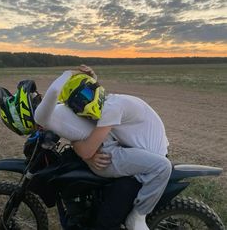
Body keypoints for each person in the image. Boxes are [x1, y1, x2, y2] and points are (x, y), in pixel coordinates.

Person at [0, 74, 142, 230]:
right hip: (115, 145)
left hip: (117, 153)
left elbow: (79, 135)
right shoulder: (57, 108)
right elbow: (76, 130)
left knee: (105, 221)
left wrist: (86, 156)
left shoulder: (50, 113)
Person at [58, 66, 172, 230]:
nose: (80, 107)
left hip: (149, 163)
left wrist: (83, 151)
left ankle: (138, 216)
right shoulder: (111, 101)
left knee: (106, 221)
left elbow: (86, 151)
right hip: (142, 150)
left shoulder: (111, 109)